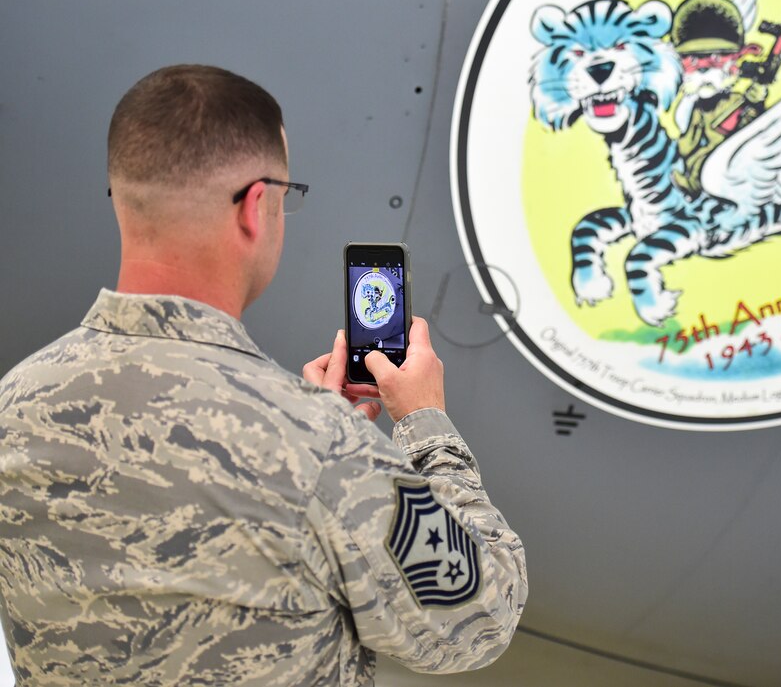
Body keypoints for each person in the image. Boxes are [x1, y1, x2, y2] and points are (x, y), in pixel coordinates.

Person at [0, 65, 527, 686]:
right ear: (256, 206)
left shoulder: (15, 405)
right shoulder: (318, 449)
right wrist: (423, 426)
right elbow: (479, 616)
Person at [670, 0, 767, 198]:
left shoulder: (738, 101)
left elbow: (755, 130)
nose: (704, 71)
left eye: (715, 59)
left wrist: (757, 104)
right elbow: (688, 142)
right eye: (694, 62)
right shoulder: (698, 107)